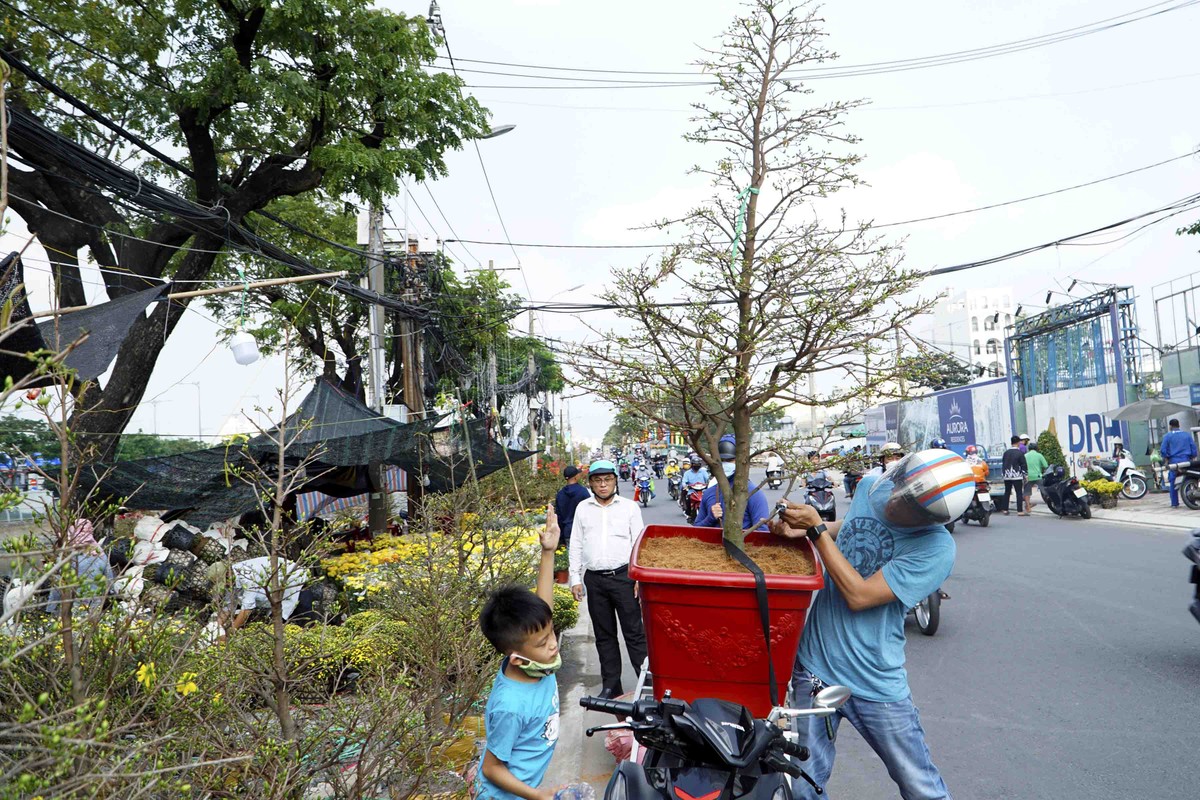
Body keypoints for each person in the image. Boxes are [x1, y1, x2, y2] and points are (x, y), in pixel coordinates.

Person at [771, 449, 973, 800]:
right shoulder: (870, 487)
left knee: (921, 788)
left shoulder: (936, 550)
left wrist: (816, 530)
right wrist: (799, 531)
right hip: (815, 669)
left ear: (929, 519)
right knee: (804, 787)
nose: (894, 504)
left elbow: (859, 595)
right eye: (899, 492)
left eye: (908, 507)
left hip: (875, 682)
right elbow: (851, 529)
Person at [478, 507, 563, 800]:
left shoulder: (536, 660)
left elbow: (543, 612)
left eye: (552, 633)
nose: (552, 644)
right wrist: (538, 796)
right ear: (517, 658)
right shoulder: (511, 706)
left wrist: (548, 552)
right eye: (543, 643)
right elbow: (491, 768)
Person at [568, 460, 648, 698]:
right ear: (591, 483)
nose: (603, 485)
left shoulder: (629, 507)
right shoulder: (583, 508)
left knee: (634, 633)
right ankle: (611, 686)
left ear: (615, 481)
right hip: (595, 581)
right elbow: (576, 543)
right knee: (604, 636)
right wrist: (575, 578)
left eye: (607, 480)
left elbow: (640, 544)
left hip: (624, 578)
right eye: (597, 480)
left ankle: (646, 684)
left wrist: (639, 578)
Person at [694, 435, 770, 530]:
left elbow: (762, 531)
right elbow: (696, 531)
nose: (726, 464)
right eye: (722, 460)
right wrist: (710, 518)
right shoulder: (709, 493)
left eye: (730, 460)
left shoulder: (754, 494)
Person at [46, 520, 114, 616]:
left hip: (71, 602)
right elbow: (109, 578)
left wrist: (51, 607)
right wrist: (110, 593)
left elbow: (58, 583)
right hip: (94, 602)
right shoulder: (100, 553)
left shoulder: (67, 556)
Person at [1160, 418, 1198, 508]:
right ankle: (1190, 501)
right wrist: (1192, 457)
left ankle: (1174, 503)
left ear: (1170, 426)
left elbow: (1163, 450)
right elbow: (1193, 448)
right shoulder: (1187, 435)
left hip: (1174, 462)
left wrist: (1166, 458)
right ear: (1179, 425)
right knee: (1188, 479)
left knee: (1173, 482)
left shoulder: (1167, 436)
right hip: (1186, 461)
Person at [553, 466, 591, 547]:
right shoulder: (583, 492)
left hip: (567, 532)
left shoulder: (560, 494)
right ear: (576, 477)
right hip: (582, 532)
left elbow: (559, 517)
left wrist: (561, 538)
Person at [1001, 435, 1028, 515]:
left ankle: (1005, 509)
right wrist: (1025, 475)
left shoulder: (1006, 453)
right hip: (1017, 476)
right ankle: (1019, 511)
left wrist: (1004, 473)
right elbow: (1023, 465)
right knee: (1019, 493)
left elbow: (1003, 463)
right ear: (1018, 442)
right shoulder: (1020, 453)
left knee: (1007, 492)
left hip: (1007, 475)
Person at [1023, 442, 1049, 513]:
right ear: (1036, 448)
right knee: (1044, 490)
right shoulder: (1039, 455)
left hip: (1028, 476)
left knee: (1027, 492)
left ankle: (1028, 507)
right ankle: (1050, 503)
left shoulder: (1025, 456)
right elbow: (1046, 465)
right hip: (1038, 476)